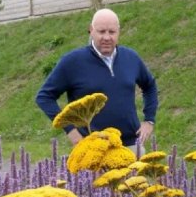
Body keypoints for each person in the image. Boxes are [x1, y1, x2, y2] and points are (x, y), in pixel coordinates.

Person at [36, 8, 158, 151]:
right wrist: (71, 131)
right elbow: (44, 97)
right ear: (91, 30)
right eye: (101, 31)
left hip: (130, 145)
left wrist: (149, 120)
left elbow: (149, 86)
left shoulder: (130, 58)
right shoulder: (73, 62)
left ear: (118, 32)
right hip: (92, 150)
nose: (106, 37)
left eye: (111, 32)